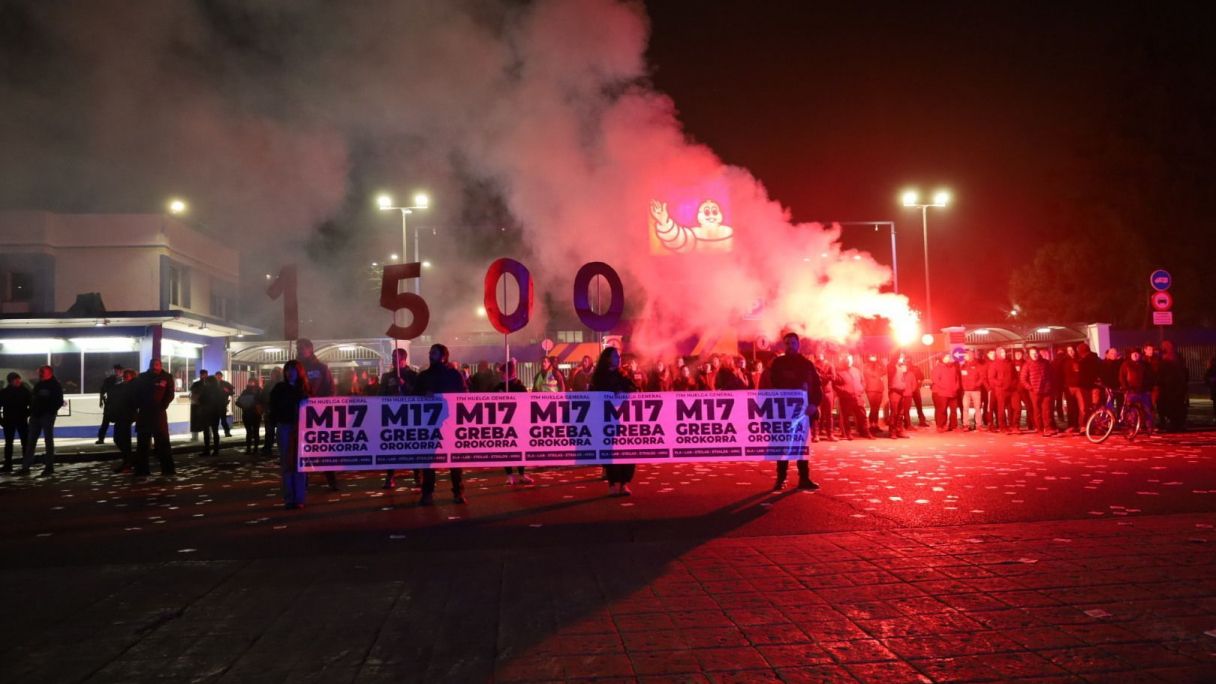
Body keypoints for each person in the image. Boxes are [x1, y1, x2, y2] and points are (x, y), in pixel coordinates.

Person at [415, 343, 468, 505]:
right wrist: (424, 394)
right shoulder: (424, 376)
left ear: (443, 356)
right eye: (430, 352)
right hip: (430, 423)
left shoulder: (453, 375)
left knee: (454, 458)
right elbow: (414, 395)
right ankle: (427, 493)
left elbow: (464, 393)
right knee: (429, 459)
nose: (430, 355)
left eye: (434, 353)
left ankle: (458, 492)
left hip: (450, 422)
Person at [769, 333, 821, 490]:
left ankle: (804, 478)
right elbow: (771, 384)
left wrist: (814, 404)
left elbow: (817, 387)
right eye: (787, 343)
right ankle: (781, 478)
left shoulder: (807, 364)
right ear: (784, 345)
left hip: (803, 413)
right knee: (783, 444)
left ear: (798, 345)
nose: (790, 346)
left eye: (793, 343)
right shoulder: (778, 363)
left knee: (802, 445)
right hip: (783, 412)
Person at [592, 347, 640, 496]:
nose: (618, 359)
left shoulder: (623, 375)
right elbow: (593, 395)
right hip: (606, 418)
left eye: (619, 356)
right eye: (615, 356)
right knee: (609, 451)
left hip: (624, 420)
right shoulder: (599, 377)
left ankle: (624, 483)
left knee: (628, 450)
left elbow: (635, 389)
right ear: (607, 358)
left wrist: (625, 393)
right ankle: (612, 483)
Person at [298, 338, 340, 491]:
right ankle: (303, 480)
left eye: (302, 347)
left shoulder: (321, 368)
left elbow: (331, 389)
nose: (300, 350)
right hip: (301, 414)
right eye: (298, 348)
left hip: (319, 414)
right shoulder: (295, 367)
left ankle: (331, 480)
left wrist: (323, 405)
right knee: (302, 449)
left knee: (323, 448)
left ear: (310, 349)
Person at [270, 359, 310, 509]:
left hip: (302, 428)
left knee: (300, 463)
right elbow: (273, 406)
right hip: (285, 426)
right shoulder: (280, 388)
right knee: (287, 463)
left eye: (292, 370)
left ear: (299, 372)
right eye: (287, 370)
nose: (289, 373)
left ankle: (299, 498)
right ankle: (289, 498)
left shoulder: (305, 389)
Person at [379, 347, 420, 490]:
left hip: (409, 415)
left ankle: (417, 476)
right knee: (392, 446)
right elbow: (380, 394)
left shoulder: (413, 375)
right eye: (392, 357)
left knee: (413, 446)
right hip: (392, 416)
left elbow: (417, 393)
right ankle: (390, 476)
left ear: (404, 359)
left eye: (396, 357)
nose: (393, 360)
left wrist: (404, 384)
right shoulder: (387, 377)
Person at [132, 359, 176, 477]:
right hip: (145, 413)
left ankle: (167, 469)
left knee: (163, 442)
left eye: (156, 365)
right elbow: (136, 393)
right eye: (153, 365)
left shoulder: (167, 377)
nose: (154, 367)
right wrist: (140, 405)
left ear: (161, 366)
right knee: (143, 443)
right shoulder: (142, 377)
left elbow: (170, 394)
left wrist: (162, 406)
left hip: (158, 413)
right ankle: (142, 470)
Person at [19, 365, 65, 477]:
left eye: (42, 371)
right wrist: (32, 411)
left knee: (46, 441)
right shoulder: (40, 384)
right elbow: (33, 399)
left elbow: (59, 401)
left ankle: (48, 466)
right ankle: (26, 467)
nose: (40, 373)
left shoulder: (54, 385)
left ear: (49, 372)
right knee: (32, 441)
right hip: (36, 416)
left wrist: (49, 412)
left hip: (46, 416)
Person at [496, 359, 534, 486]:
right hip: (504, 423)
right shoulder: (499, 387)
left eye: (503, 372)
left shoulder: (518, 386)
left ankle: (522, 474)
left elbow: (526, 402)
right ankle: (509, 475)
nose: (501, 375)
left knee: (520, 448)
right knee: (506, 449)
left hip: (518, 422)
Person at [1020, 347, 1056, 436]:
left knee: (1046, 410)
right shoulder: (1027, 364)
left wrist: (1050, 386)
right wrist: (1030, 388)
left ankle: (1048, 428)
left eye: (1035, 353)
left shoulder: (1045, 363)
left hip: (1046, 391)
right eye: (1032, 353)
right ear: (1029, 354)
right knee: (1037, 411)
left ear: (1038, 353)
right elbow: (1023, 379)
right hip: (1034, 392)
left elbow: (1052, 375)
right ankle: (1039, 428)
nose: (1034, 355)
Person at [834, 353, 871, 439]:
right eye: (847, 360)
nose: (849, 361)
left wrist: (861, 389)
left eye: (850, 360)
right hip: (846, 398)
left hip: (858, 397)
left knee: (863, 415)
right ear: (844, 361)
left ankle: (865, 432)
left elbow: (863, 381)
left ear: (852, 361)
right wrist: (844, 391)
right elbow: (835, 385)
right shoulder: (839, 372)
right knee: (845, 416)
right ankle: (848, 433)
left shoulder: (856, 371)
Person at [108, 369, 138, 473]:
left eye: (127, 376)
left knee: (122, 439)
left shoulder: (132, 387)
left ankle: (128, 461)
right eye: (124, 376)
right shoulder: (123, 387)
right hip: (121, 415)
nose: (124, 378)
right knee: (120, 439)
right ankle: (129, 460)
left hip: (126, 416)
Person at [1120, 348, 1155, 435]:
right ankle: (1132, 428)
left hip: (1144, 391)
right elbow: (1122, 377)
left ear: (1140, 355)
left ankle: (1149, 428)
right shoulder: (1126, 364)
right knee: (1131, 412)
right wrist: (1125, 387)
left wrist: (1149, 388)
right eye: (1133, 354)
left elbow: (1151, 377)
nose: (1135, 355)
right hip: (1131, 391)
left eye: (1137, 354)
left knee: (1147, 410)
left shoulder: (1145, 365)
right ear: (1131, 355)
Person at [1, 372, 31, 472]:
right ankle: (9, 465)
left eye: (19, 379)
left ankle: (24, 465)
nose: (18, 381)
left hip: (17, 420)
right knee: (10, 443)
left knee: (23, 443)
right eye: (16, 380)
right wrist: (1, 421)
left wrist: (26, 414)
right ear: (11, 381)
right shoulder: (5, 392)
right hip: (11, 421)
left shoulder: (23, 391)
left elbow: (32, 405)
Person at [1157, 340, 1189, 432]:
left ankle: (1175, 423)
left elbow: (1182, 372)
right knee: (1174, 405)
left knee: (1173, 405)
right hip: (1172, 387)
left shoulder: (1170, 359)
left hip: (1172, 387)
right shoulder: (1175, 358)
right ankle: (1176, 423)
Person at [986, 348, 1016, 434]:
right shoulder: (994, 364)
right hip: (1000, 390)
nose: (1004, 354)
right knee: (1001, 408)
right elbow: (991, 378)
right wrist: (1000, 383)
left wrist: (1012, 383)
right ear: (998, 354)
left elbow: (1014, 375)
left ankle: (1011, 425)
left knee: (1010, 408)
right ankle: (1003, 426)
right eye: (1002, 352)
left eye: (1004, 352)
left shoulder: (1009, 363)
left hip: (1009, 389)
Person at [930, 353, 960, 432]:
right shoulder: (938, 368)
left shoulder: (953, 367)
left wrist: (956, 386)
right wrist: (944, 387)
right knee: (942, 410)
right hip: (942, 392)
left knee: (953, 410)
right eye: (946, 357)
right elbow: (935, 379)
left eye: (949, 357)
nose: (948, 358)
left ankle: (953, 426)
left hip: (953, 392)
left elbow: (956, 378)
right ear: (942, 358)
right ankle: (940, 425)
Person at [886, 356, 915, 439]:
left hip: (901, 392)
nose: (902, 360)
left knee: (900, 413)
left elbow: (902, 380)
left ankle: (899, 430)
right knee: (894, 412)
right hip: (894, 392)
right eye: (900, 358)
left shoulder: (900, 368)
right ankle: (892, 432)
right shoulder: (891, 366)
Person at [95, 364, 123, 444]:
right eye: (115, 370)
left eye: (117, 370)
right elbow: (102, 391)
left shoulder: (124, 379)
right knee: (105, 422)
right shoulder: (109, 380)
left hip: (120, 405)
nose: (116, 372)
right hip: (110, 404)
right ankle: (101, 438)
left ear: (121, 371)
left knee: (119, 423)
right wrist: (100, 401)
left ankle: (117, 438)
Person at [814, 349, 837, 441]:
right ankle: (816, 435)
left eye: (820, 352)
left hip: (828, 392)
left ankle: (830, 434)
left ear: (823, 354)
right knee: (817, 414)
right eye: (818, 352)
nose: (819, 354)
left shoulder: (829, 364)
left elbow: (833, 377)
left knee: (829, 414)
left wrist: (822, 376)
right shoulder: (813, 365)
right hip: (817, 392)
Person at [959, 350, 985, 431]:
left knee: (977, 408)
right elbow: (961, 377)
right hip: (966, 391)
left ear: (970, 356)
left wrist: (977, 384)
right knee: (965, 408)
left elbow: (982, 377)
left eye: (966, 355)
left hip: (976, 391)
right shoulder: (963, 366)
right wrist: (963, 386)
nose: (964, 357)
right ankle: (965, 425)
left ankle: (978, 425)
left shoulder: (977, 365)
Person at [236, 378, 263, 454]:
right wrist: (244, 406)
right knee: (250, 431)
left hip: (253, 414)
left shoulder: (258, 391)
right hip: (249, 413)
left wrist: (245, 406)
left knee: (253, 431)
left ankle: (253, 449)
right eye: (250, 382)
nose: (251, 383)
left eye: (252, 382)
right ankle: (250, 449)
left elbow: (262, 401)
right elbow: (238, 402)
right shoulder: (247, 391)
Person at [198, 375, 223, 455]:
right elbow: (221, 401)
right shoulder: (218, 390)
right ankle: (216, 450)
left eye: (206, 381)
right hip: (215, 413)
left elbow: (200, 399)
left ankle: (207, 450)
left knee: (206, 432)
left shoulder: (206, 389)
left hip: (207, 413)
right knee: (215, 432)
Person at [260, 367, 282, 456]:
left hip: (276, 411)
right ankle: (268, 447)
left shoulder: (279, 384)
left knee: (274, 431)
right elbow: (263, 396)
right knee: (269, 431)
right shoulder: (269, 384)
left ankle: (269, 447)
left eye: (273, 374)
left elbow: (263, 396)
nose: (272, 376)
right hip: (271, 410)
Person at [862, 355, 886, 435]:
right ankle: (871, 424)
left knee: (877, 408)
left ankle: (875, 424)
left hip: (879, 389)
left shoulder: (878, 367)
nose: (874, 359)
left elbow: (885, 371)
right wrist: (872, 364)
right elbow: (868, 373)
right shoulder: (866, 367)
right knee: (873, 407)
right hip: (871, 389)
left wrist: (880, 362)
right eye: (872, 357)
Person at [189, 370, 209, 442]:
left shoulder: (208, 384)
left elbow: (192, 394)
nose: (203, 376)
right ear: (200, 375)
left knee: (206, 422)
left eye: (205, 375)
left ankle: (208, 436)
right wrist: (196, 400)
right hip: (197, 405)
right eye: (202, 375)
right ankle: (195, 437)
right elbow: (192, 394)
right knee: (196, 421)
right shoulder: (196, 384)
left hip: (203, 405)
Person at [214, 371, 235, 437]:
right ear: (215, 376)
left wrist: (228, 391)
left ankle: (227, 432)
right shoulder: (213, 384)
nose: (218, 377)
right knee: (215, 421)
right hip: (214, 405)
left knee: (223, 420)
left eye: (219, 376)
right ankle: (215, 433)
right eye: (217, 376)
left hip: (222, 404)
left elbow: (232, 392)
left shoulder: (225, 383)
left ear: (221, 376)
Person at [1205, 356, 1216, 421]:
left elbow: (1206, 378)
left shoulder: (1210, 369)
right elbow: (1206, 378)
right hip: (1214, 389)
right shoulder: (1210, 369)